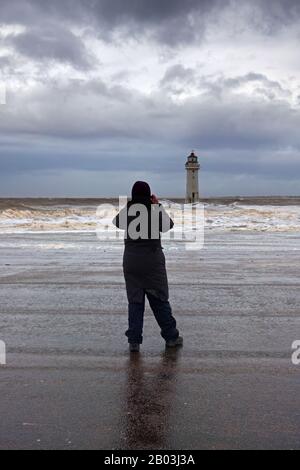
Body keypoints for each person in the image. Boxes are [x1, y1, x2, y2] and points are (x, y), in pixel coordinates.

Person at [113, 181, 183, 353]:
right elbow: (169, 226)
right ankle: (171, 337)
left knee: (135, 302)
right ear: (149, 195)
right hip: (152, 262)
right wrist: (157, 205)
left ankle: (134, 342)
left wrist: (132, 204)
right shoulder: (153, 211)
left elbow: (117, 222)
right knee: (159, 300)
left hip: (131, 262)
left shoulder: (130, 211)